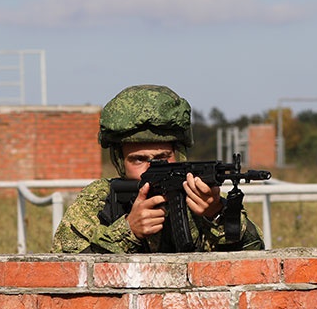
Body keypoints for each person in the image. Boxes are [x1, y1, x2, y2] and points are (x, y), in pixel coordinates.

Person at [52, 84, 265, 254]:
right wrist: (128, 232)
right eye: (138, 160)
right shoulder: (100, 201)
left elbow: (254, 256)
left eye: (163, 157)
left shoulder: (201, 198)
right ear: (120, 162)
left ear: (179, 155)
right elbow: (64, 271)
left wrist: (217, 216)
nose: (153, 166)